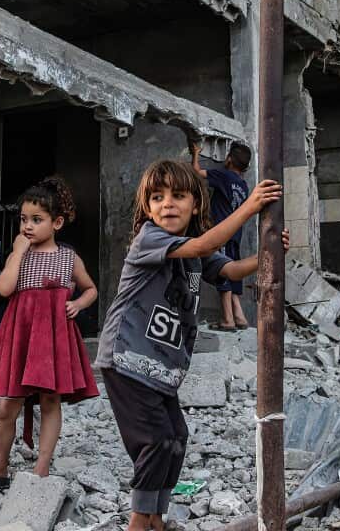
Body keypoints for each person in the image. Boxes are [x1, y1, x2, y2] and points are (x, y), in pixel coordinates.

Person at [94, 160, 286, 531]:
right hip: (127, 358)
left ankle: (155, 517)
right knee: (155, 439)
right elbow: (204, 242)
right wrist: (249, 207)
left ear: (196, 205)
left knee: (176, 438)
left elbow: (228, 270)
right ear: (147, 208)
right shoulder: (150, 239)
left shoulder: (195, 254)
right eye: (157, 197)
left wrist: (270, 254)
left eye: (179, 196)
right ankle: (139, 521)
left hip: (161, 368)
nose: (167, 204)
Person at [0, 177, 99, 490]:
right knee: (6, 405)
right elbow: (4, 289)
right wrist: (17, 252)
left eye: (36, 220)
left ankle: (41, 468)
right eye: (24, 219)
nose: (28, 226)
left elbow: (91, 288)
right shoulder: (20, 255)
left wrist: (78, 303)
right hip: (21, 336)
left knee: (51, 401)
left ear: (57, 223)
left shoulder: (68, 258)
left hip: (53, 338)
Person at [190, 140, 252, 330]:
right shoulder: (243, 186)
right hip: (235, 235)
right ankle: (240, 317)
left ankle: (228, 320)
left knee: (222, 272)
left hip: (221, 232)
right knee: (233, 272)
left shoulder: (224, 175)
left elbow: (196, 173)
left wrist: (196, 153)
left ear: (229, 160)